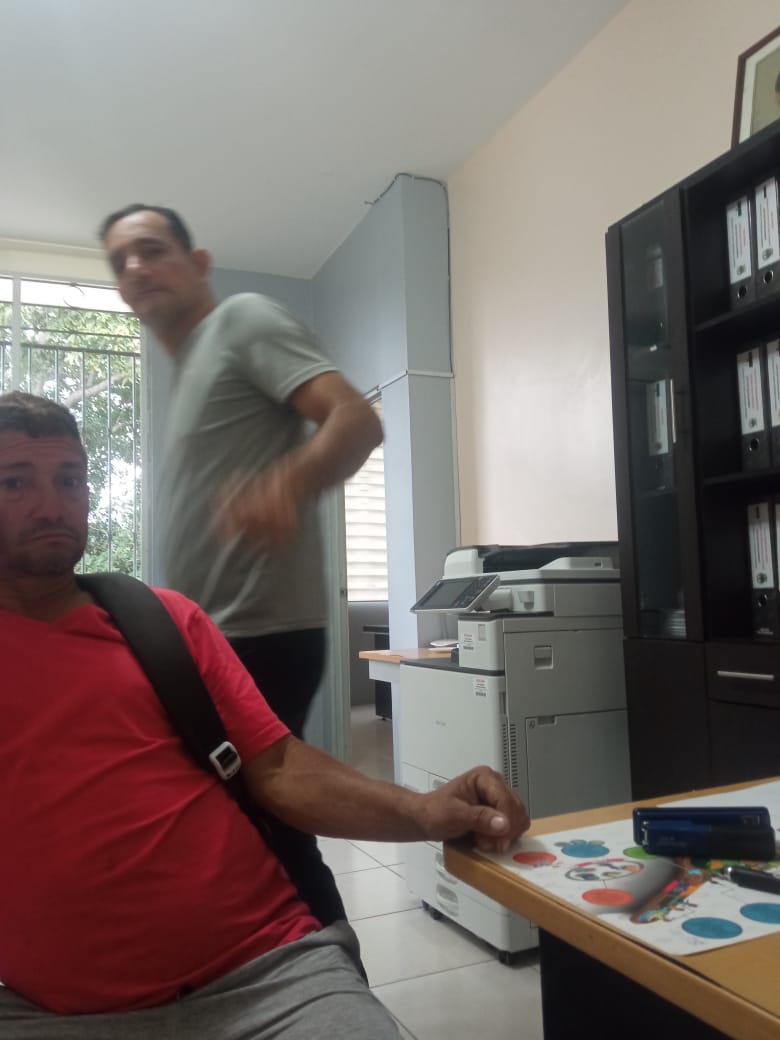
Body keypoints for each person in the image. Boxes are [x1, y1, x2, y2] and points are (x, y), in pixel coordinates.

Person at [0, 390, 531, 1039]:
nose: (51, 505)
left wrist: (425, 811)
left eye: (69, 479)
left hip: (267, 972)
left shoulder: (161, 622)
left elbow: (278, 767)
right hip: (51, 1013)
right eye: (15, 482)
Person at [100, 203, 383, 739]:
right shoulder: (189, 367)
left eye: (152, 251)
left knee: (256, 791)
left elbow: (357, 419)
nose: (135, 267)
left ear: (199, 263)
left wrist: (287, 485)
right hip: (211, 633)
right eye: (120, 262)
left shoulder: (242, 320)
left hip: (259, 635)